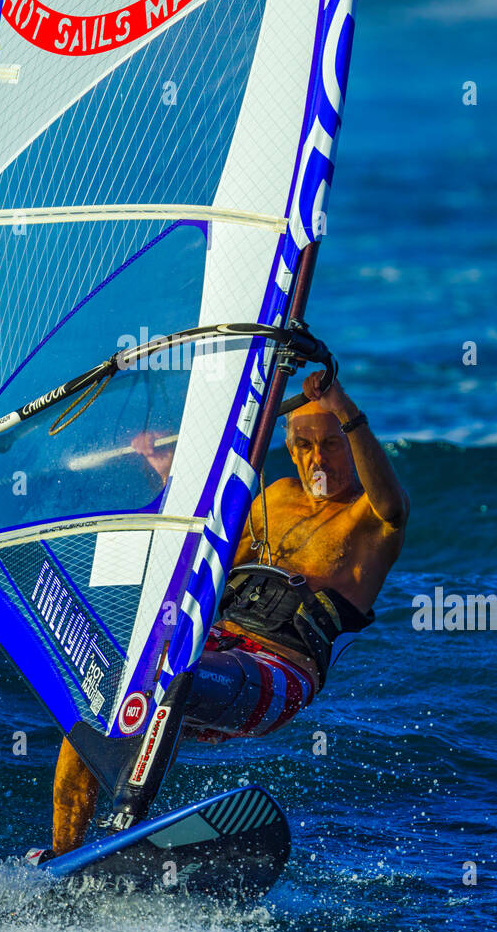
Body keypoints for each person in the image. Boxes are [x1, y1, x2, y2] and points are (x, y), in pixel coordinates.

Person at [27, 367, 409, 863]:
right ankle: (65, 859)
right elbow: (207, 547)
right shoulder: (274, 499)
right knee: (103, 700)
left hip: (278, 671)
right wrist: (169, 474)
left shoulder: (371, 516)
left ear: (351, 440)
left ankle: (126, 819)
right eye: (306, 445)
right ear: (290, 448)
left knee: (176, 677)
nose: (319, 458)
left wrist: (343, 407)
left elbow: (392, 506)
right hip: (215, 644)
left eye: (332, 444)